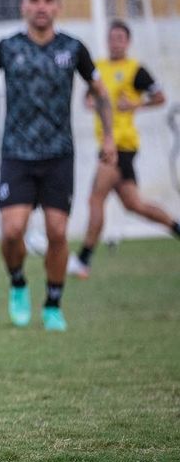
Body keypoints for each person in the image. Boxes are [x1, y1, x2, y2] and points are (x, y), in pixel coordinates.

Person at [0, 0, 116, 332]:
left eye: (48, 0)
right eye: (34, 0)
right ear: (23, 6)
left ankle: (52, 304)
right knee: (13, 230)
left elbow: (100, 91)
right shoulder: (6, 47)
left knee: (58, 232)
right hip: (16, 154)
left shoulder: (73, 49)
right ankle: (17, 281)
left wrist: (109, 137)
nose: (41, 7)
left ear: (58, 7)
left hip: (58, 155)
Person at [67, 20, 180, 277]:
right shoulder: (99, 68)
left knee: (95, 199)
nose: (115, 42)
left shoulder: (135, 69)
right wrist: (96, 103)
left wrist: (136, 104)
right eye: (112, 37)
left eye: (120, 38)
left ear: (127, 42)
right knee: (134, 204)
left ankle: (83, 261)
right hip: (109, 143)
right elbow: (87, 99)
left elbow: (160, 97)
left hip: (119, 145)